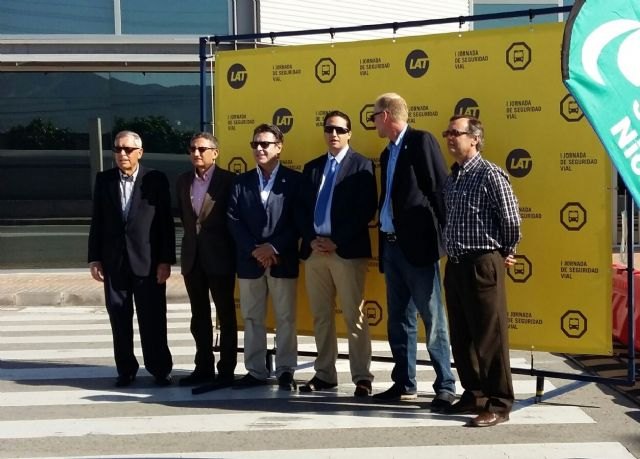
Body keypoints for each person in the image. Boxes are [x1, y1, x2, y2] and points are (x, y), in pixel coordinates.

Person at [370, 92, 456, 412]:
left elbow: (437, 189)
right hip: (391, 246)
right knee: (399, 320)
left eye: (374, 116)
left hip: (418, 248)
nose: (373, 122)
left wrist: (447, 237)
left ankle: (445, 384)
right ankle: (404, 383)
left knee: (433, 318)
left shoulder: (421, 141)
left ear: (388, 116)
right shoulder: (386, 152)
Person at [441, 115, 521, 427]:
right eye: (447, 133)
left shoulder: (490, 174)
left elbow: (511, 219)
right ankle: (474, 393)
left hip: (483, 262)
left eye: (456, 133)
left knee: (490, 336)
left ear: (474, 139)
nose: (450, 138)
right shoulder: (454, 176)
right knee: (461, 335)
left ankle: (499, 402)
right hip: (457, 263)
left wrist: (506, 250)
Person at [298, 110, 377, 397]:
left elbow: (365, 209)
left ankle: (362, 377)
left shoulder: (362, 165)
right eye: (329, 129)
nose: (334, 134)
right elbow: (301, 209)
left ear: (349, 133)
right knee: (321, 315)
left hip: (347, 252)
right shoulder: (313, 167)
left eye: (340, 130)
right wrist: (311, 239)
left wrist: (337, 241)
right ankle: (325, 374)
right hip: (315, 252)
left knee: (354, 316)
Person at [88, 130, 175, 388]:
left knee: (153, 318)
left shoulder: (155, 179)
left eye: (127, 149)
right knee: (119, 316)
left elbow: (165, 224)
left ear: (140, 152)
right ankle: (125, 369)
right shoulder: (104, 180)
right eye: (117, 149)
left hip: (148, 262)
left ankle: (160, 368)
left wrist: (165, 260)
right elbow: (97, 221)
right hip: (114, 262)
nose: (122, 154)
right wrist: (94, 258)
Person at [227, 123, 302, 391]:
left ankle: (285, 370)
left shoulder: (295, 181)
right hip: (250, 262)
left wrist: (273, 248)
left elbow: (299, 221)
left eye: (265, 144)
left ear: (279, 147)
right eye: (255, 144)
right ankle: (256, 371)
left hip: (282, 260)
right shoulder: (241, 181)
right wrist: (255, 250)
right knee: (252, 318)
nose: (259, 149)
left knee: (285, 319)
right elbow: (233, 220)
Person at [175, 132, 237, 389]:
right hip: (193, 257)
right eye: (192, 149)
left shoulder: (228, 181)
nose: (196, 153)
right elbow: (184, 218)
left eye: (202, 149)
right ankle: (203, 367)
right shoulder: (182, 181)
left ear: (215, 152)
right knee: (198, 315)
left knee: (225, 314)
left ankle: (226, 369)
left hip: (220, 256)